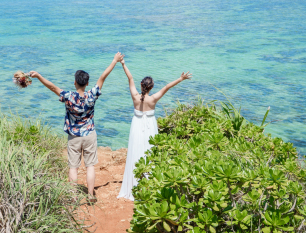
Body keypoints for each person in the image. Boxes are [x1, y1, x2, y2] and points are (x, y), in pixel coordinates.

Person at [29, 51, 124, 201]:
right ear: (87, 83)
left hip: (74, 137)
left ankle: (72, 196)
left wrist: (39, 76)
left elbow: (53, 87)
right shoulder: (92, 95)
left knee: (73, 167)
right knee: (90, 166)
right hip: (89, 135)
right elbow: (102, 77)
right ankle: (91, 194)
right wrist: (115, 61)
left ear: (75, 82)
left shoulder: (69, 96)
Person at [116, 59, 191, 201]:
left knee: (135, 151)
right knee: (149, 151)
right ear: (151, 88)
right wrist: (181, 78)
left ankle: (134, 183)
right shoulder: (154, 99)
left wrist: (123, 64)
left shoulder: (135, 96)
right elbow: (167, 87)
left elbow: (130, 78)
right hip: (150, 125)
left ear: (141, 85)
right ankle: (149, 182)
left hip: (136, 125)